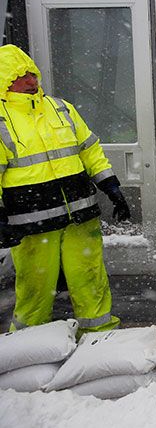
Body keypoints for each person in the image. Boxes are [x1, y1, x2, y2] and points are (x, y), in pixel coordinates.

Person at [0, 44, 130, 333]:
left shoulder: (61, 108)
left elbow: (89, 150)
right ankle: (27, 346)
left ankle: (100, 336)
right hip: (32, 227)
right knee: (35, 289)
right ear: (6, 82)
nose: (32, 81)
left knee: (90, 279)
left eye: (33, 74)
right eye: (22, 77)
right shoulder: (1, 122)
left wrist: (110, 186)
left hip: (80, 217)